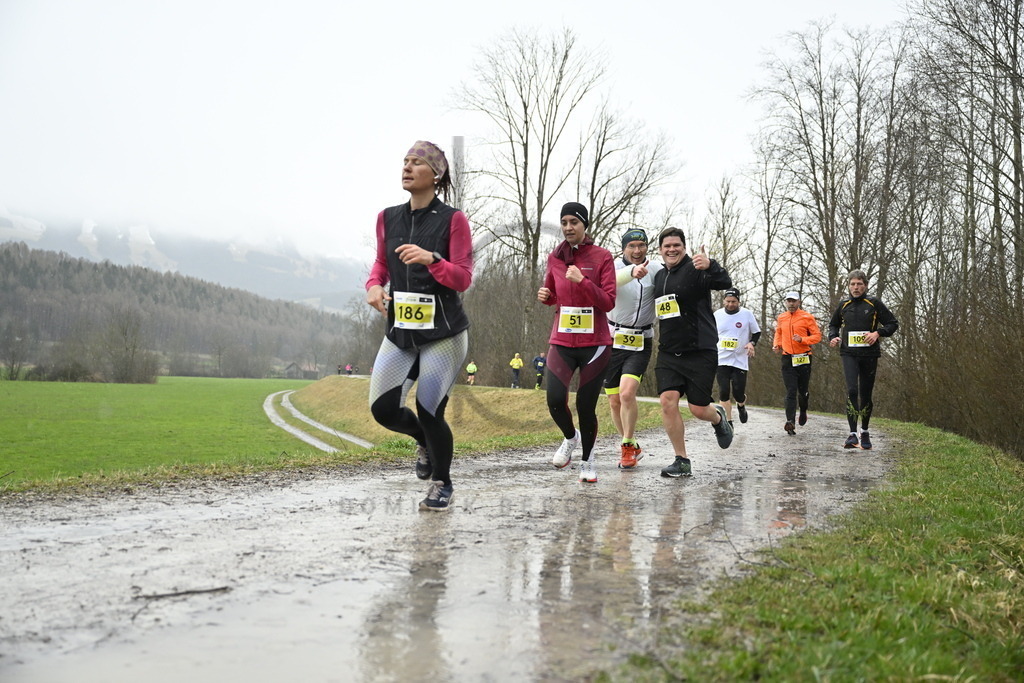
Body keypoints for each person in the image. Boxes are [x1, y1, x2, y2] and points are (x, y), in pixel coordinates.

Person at [365, 140, 473, 511]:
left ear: (436, 175)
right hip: (401, 333)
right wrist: (374, 286)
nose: (407, 168)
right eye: (405, 161)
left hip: (443, 334)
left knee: (430, 410)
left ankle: (442, 482)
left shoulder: (453, 220)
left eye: (417, 163)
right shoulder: (387, 217)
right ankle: (423, 441)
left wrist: (432, 260)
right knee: (383, 410)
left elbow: (462, 278)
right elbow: (381, 264)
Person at [537, 202, 616, 483]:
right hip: (562, 341)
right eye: (564, 222)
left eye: (574, 222)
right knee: (555, 399)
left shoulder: (602, 257)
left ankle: (588, 460)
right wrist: (547, 297)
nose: (568, 227)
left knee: (585, 405)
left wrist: (582, 280)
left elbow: (608, 301)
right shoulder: (554, 259)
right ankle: (571, 438)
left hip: (595, 344)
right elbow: (554, 295)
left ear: (584, 225)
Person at [652, 228, 734, 478]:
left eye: (676, 245)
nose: (672, 249)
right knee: (667, 401)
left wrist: (711, 265)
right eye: (667, 246)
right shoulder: (659, 276)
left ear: (684, 247)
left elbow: (724, 282)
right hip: (668, 352)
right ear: (660, 250)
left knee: (698, 409)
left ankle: (719, 418)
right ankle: (682, 460)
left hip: (700, 350)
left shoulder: (697, 269)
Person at [604, 227, 663, 469]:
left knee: (628, 393)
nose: (637, 251)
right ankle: (631, 443)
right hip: (611, 338)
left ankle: (627, 447)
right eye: (631, 246)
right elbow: (608, 281)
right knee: (614, 401)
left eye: (641, 246)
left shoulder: (657, 269)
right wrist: (631, 272)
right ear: (623, 248)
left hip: (640, 340)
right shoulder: (613, 267)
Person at [827, 269, 899, 450]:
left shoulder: (873, 303)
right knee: (852, 390)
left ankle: (864, 431)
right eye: (852, 284)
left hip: (869, 354)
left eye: (859, 284)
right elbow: (833, 324)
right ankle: (852, 434)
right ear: (848, 286)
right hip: (849, 353)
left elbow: (892, 324)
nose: (856, 287)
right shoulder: (844, 305)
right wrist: (833, 337)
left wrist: (877, 333)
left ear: (865, 285)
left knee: (866, 393)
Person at [772, 291, 822, 435]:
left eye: (794, 301)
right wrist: (777, 344)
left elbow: (817, 337)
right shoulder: (782, 317)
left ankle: (804, 410)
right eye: (789, 301)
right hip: (787, 358)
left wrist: (803, 340)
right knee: (790, 391)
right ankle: (790, 422)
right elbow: (779, 333)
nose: (791, 304)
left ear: (799, 302)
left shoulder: (807, 317)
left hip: (804, 357)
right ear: (786, 302)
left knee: (803, 391)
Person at [714, 288, 761, 426]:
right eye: (728, 301)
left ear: (738, 301)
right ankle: (728, 422)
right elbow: (710, 334)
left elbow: (756, 333)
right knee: (723, 391)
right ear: (723, 301)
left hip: (739, 359)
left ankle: (741, 404)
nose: (730, 304)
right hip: (721, 358)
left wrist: (751, 343)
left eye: (733, 301)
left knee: (738, 393)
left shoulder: (746, 314)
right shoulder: (717, 314)